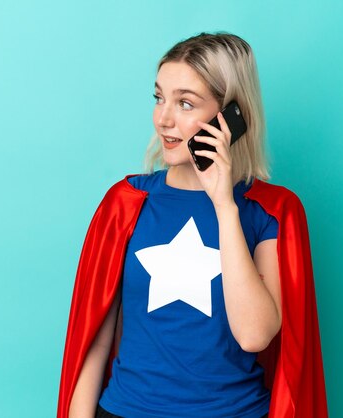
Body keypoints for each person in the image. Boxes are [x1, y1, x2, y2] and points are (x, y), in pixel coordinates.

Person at [58, 32, 328, 418]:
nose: (164, 119)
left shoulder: (271, 211)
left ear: (229, 116)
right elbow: (95, 344)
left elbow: (254, 335)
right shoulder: (126, 204)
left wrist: (224, 205)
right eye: (159, 98)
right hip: (125, 409)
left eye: (185, 103)